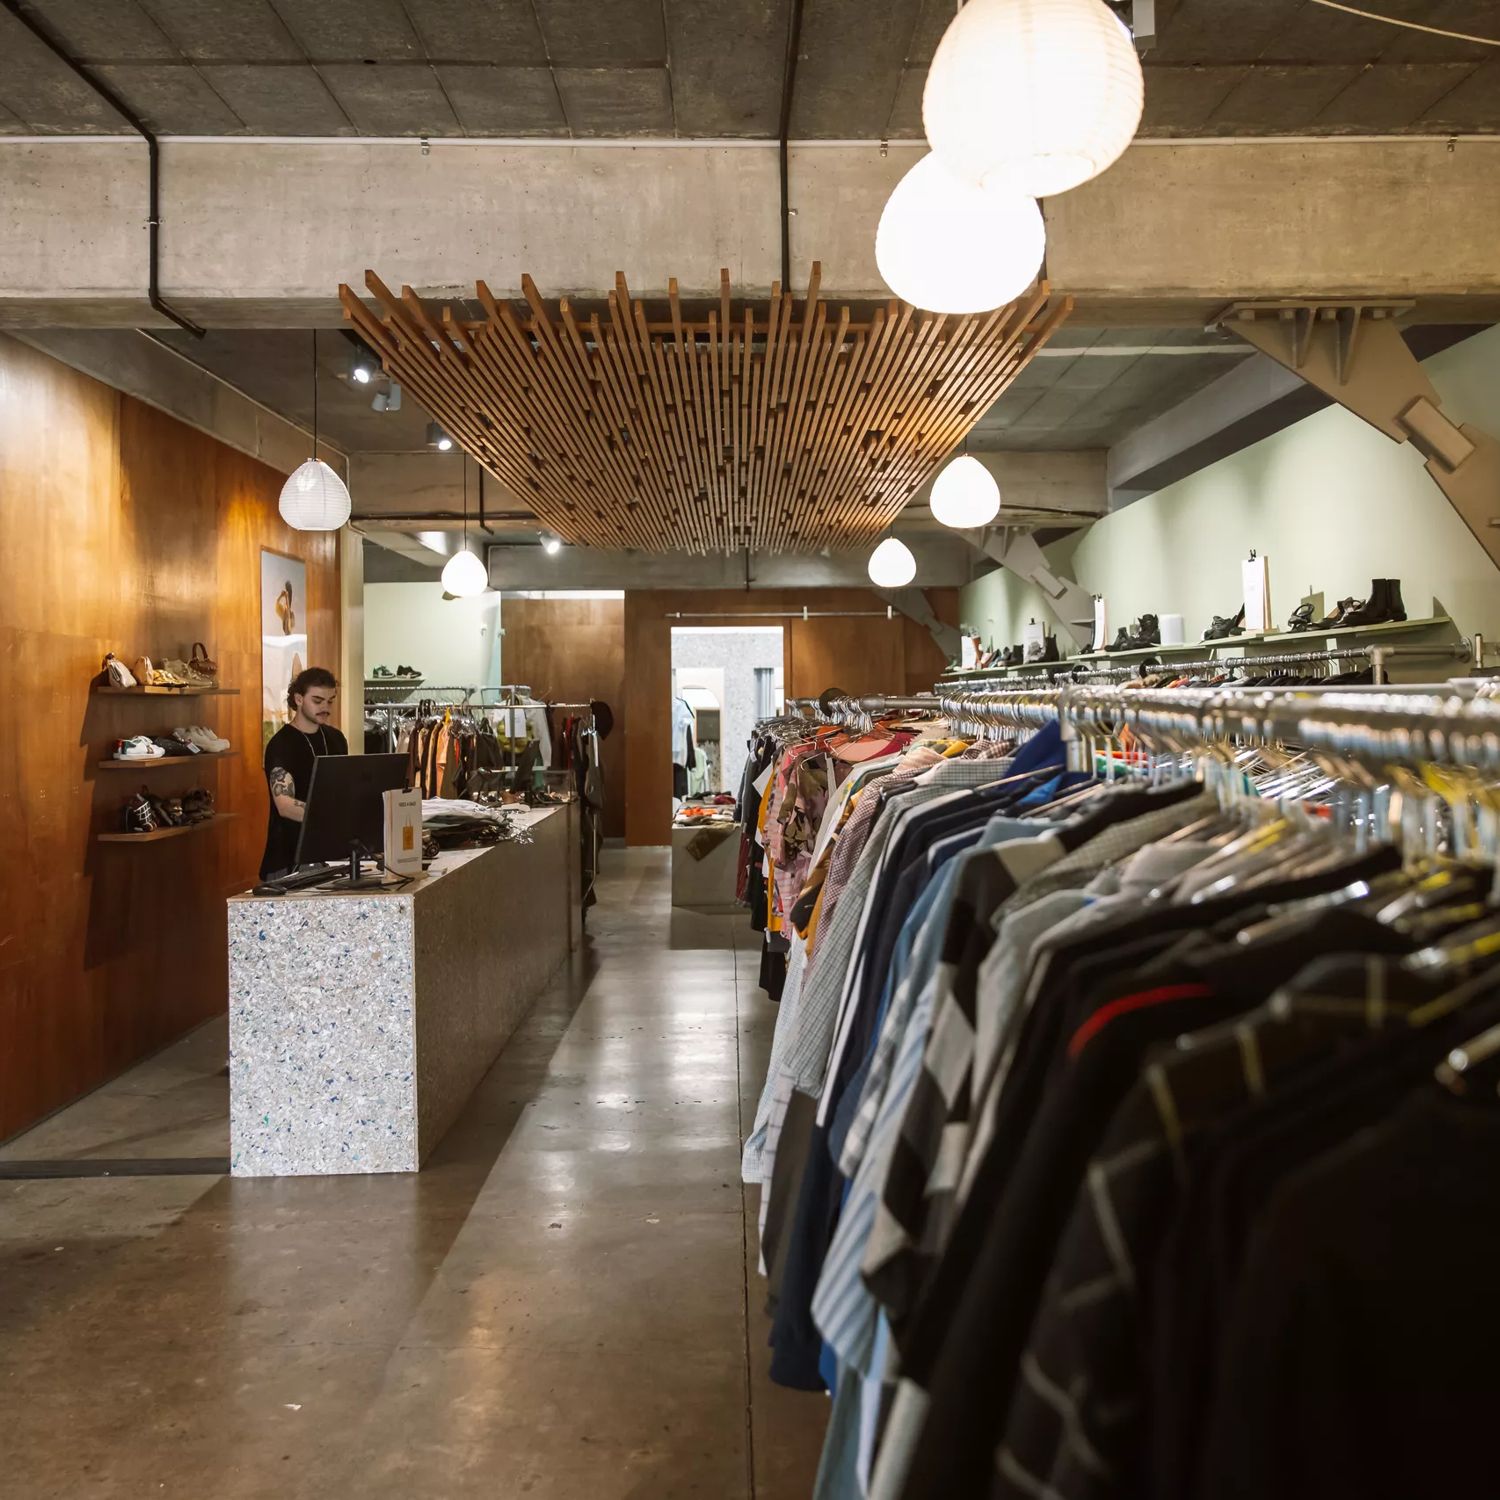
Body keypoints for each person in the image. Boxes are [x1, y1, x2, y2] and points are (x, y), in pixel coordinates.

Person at [261, 667, 349, 878]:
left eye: (330, 701)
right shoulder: (281, 745)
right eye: (317, 701)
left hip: (331, 853)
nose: (325, 708)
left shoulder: (336, 738)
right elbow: (285, 805)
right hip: (289, 859)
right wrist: (333, 817)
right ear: (299, 699)